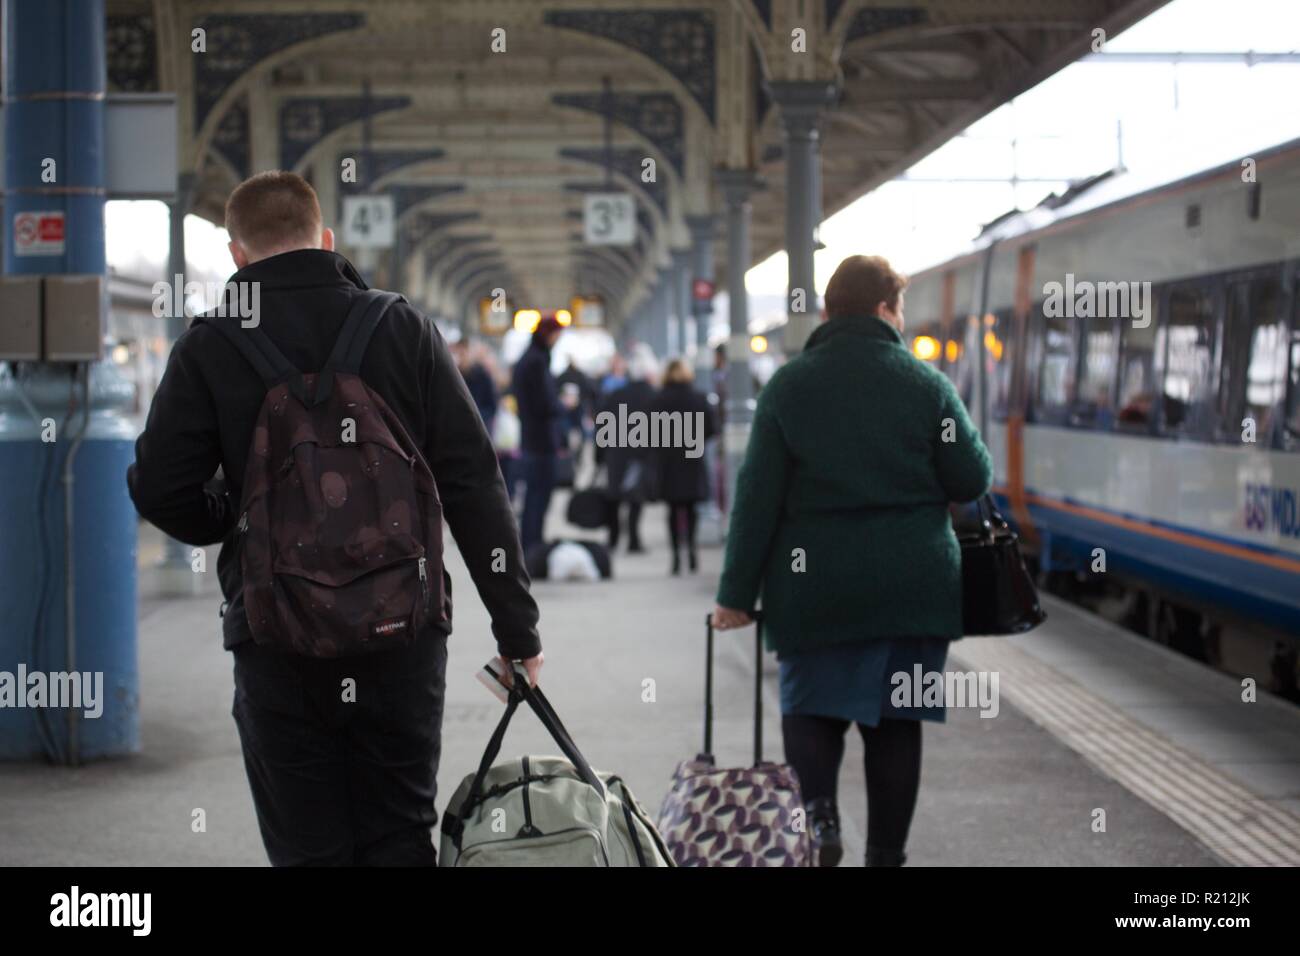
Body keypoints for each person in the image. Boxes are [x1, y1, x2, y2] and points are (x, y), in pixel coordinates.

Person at [125, 170, 544, 866]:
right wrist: (516, 629)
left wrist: (232, 514)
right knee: (400, 833)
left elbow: (162, 488)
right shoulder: (401, 326)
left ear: (237, 253)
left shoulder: (211, 345)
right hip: (400, 631)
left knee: (306, 843)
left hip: (277, 634)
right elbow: (473, 481)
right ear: (326, 239)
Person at [711, 254, 992, 868]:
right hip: (910, 586)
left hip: (815, 587)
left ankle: (821, 819)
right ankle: (886, 856)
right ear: (887, 309)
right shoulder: (926, 385)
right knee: (896, 722)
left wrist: (735, 595)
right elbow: (970, 477)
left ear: (828, 312)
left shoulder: (790, 386)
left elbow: (756, 500)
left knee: (810, 707)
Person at [511, 314, 571, 552]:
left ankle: (530, 543)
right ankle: (532, 545)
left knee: (533, 496)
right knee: (539, 495)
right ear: (549, 334)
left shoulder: (527, 360)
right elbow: (544, 404)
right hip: (541, 441)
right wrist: (563, 404)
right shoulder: (536, 362)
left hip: (531, 439)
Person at [651, 358, 716, 574]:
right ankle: (692, 551)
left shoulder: (659, 399)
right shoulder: (698, 398)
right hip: (692, 457)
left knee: (672, 509)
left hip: (669, 459)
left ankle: (676, 556)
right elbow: (711, 427)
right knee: (691, 508)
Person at [595, 346, 658, 553]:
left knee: (614, 497)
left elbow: (602, 424)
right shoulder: (653, 396)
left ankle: (613, 539)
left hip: (616, 452)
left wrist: (600, 454)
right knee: (635, 499)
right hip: (640, 454)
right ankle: (634, 539)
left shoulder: (617, 394)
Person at [453, 338, 499, 433]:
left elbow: (492, 406)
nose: (462, 358)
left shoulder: (482, 375)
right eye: (459, 354)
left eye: (464, 354)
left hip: (480, 429)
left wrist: (475, 418)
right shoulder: (453, 376)